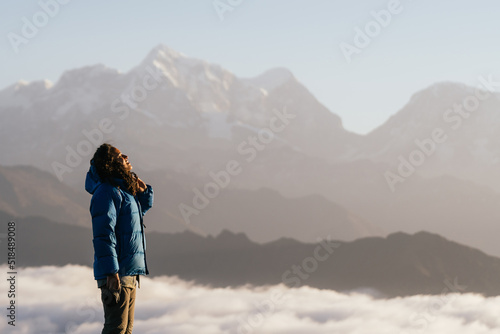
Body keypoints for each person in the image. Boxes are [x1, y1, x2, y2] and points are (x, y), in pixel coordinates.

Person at [85, 143, 154, 334]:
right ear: (110, 163)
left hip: (128, 271)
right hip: (117, 274)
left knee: (125, 330)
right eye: (119, 155)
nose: (126, 155)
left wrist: (143, 194)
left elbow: (135, 218)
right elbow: (103, 234)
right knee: (116, 329)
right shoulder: (106, 192)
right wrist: (111, 272)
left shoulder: (122, 191)